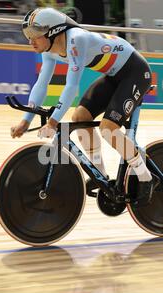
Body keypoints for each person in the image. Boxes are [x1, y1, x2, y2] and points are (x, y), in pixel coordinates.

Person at [10, 7, 155, 205]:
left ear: (53, 31)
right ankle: (100, 174)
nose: (30, 41)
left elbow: (71, 86)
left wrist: (52, 122)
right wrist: (26, 121)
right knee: (80, 117)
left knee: (108, 129)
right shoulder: (49, 50)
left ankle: (145, 176)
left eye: (34, 35)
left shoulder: (76, 40)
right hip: (114, 76)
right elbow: (42, 84)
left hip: (135, 72)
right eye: (27, 35)